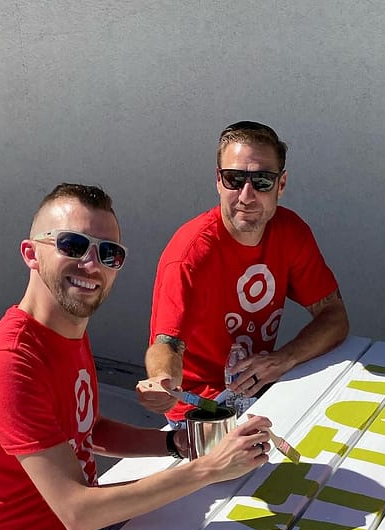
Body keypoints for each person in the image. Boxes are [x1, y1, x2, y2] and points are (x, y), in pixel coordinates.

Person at [0, 183, 271, 530]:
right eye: (73, 245)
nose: (91, 264)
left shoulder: (66, 331)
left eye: (109, 254)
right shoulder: (6, 363)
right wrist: (206, 469)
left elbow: (84, 428)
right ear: (30, 253)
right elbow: (77, 510)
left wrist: (174, 443)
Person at [136, 121, 349, 423]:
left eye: (261, 181)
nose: (246, 195)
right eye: (234, 179)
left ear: (281, 184)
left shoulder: (291, 232)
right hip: (201, 406)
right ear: (219, 182)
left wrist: (283, 359)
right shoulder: (190, 255)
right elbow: (166, 344)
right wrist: (161, 381)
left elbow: (334, 317)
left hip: (260, 389)